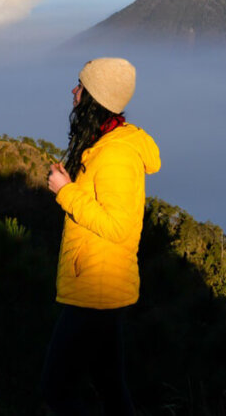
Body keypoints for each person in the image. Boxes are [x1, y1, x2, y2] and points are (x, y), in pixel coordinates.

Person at [41, 57, 161, 415]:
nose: (73, 91)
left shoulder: (116, 154)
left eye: (80, 85)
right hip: (99, 287)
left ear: (96, 97)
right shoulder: (104, 142)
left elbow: (118, 226)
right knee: (110, 386)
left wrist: (65, 191)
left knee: (56, 389)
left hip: (96, 288)